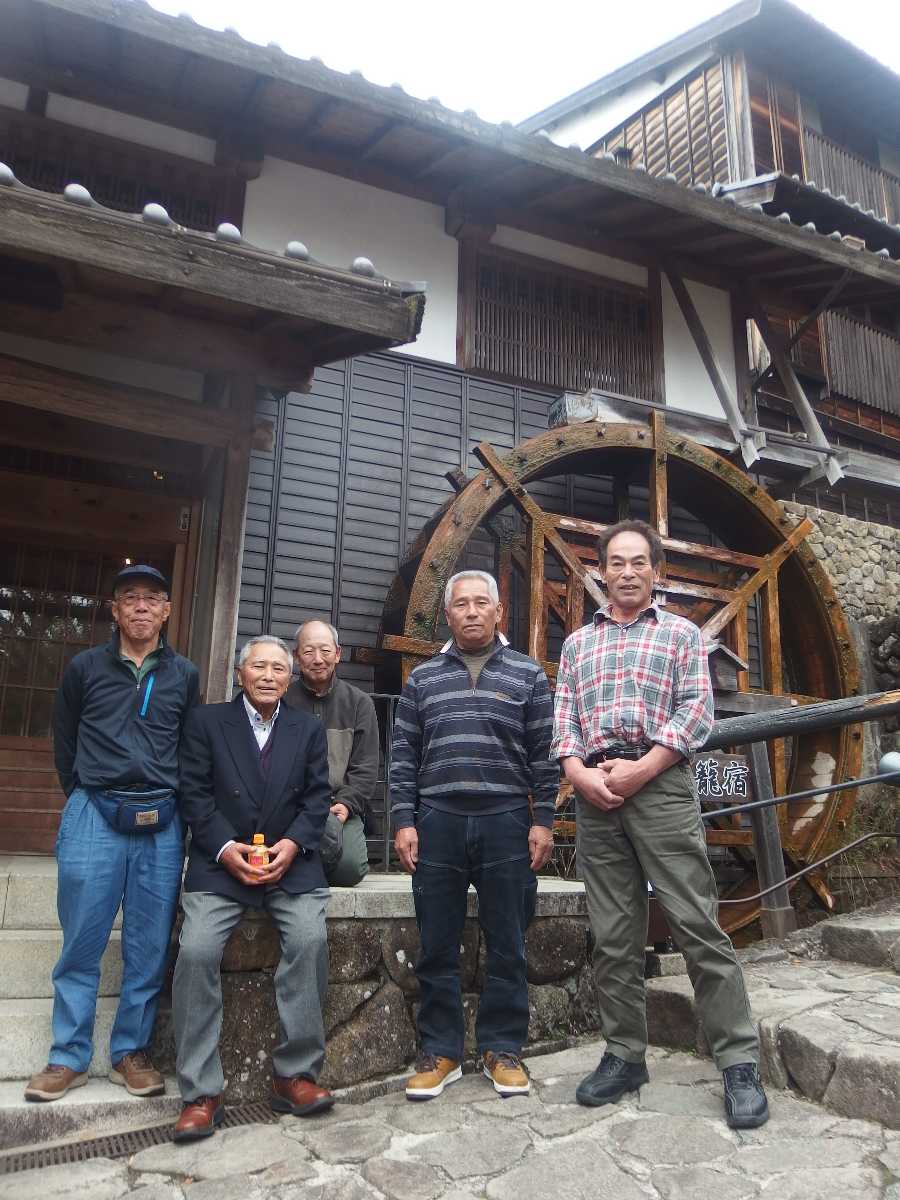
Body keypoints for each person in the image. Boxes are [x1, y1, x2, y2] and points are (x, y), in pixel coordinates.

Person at [551, 519, 768, 1129]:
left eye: (638, 562)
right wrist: (579, 774)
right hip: (596, 791)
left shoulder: (681, 635)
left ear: (655, 570)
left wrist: (643, 768)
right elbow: (564, 716)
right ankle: (624, 1055)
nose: (626, 572)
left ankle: (738, 1062)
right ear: (601, 571)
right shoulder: (577, 645)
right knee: (613, 934)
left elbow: (696, 712)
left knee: (697, 923)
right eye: (616, 563)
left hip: (661, 784)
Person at [25, 565, 199, 1103]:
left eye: (152, 598)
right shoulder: (85, 667)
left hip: (161, 819)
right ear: (115, 610)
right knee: (82, 937)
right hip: (95, 811)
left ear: (166, 611)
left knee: (149, 943)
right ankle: (68, 1054)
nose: (142, 606)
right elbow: (64, 738)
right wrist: (83, 791)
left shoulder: (184, 674)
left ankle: (130, 1051)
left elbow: (190, 744)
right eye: (131, 598)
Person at [390, 570, 556, 1100]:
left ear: (498, 611)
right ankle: (441, 1052)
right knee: (436, 941)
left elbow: (544, 755)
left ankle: (501, 1048)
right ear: (448, 615)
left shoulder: (528, 674)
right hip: (437, 819)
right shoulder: (422, 678)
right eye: (461, 604)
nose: (471, 612)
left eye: (481, 602)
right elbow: (404, 756)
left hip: (506, 820)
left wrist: (543, 820)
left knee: (507, 940)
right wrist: (403, 820)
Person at [171, 634, 334, 1141]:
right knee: (196, 950)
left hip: (290, 860)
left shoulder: (308, 729)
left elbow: (318, 798)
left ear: (290, 678)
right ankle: (201, 1092)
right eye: (258, 667)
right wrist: (225, 848)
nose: (268, 676)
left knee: (309, 939)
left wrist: (292, 845)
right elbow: (193, 793)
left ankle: (295, 1075)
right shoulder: (206, 722)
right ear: (239, 674)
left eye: (278, 669)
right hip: (221, 861)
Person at [284, 619, 378, 886]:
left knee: (349, 870)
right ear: (296, 656)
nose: (317, 659)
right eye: (308, 651)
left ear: (337, 654)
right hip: (290, 806)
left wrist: (346, 804)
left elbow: (366, 767)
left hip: (337, 805)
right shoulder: (282, 700)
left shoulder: (359, 703)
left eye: (325, 651)